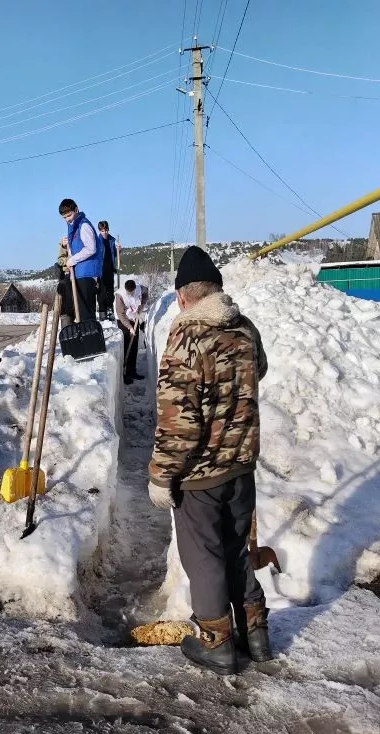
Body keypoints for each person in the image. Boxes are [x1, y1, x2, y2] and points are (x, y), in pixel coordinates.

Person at [147, 246, 271, 675]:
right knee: (236, 549)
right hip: (242, 465)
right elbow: (262, 368)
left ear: (183, 296)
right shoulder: (245, 329)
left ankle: (216, 644)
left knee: (205, 558)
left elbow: (178, 419)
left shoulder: (187, 336)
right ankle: (256, 635)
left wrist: (162, 476)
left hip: (201, 475)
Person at [58, 198, 101, 321]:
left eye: (69, 215)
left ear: (76, 210)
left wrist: (72, 260)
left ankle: (91, 339)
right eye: (64, 217)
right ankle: (87, 337)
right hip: (80, 273)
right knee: (82, 314)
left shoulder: (84, 225)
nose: (68, 219)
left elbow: (91, 248)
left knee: (86, 314)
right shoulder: (74, 227)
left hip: (87, 273)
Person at [115, 279, 145, 384]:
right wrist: (129, 327)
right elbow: (121, 314)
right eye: (129, 293)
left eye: (132, 292)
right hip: (123, 321)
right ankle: (125, 372)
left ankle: (132, 371)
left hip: (134, 318)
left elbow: (146, 292)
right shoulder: (120, 295)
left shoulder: (139, 288)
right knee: (127, 344)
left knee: (134, 345)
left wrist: (141, 307)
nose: (131, 294)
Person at [97, 221, 120, 320]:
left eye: (106, 230)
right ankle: (102, 311)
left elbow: (114, 254)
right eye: (102, 230)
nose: (104, 232)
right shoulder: (97, 241)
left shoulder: (111, 240)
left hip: (110, 269)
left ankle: (110, 309)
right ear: (100, 231)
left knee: (110, 291)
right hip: (100, 270)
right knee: (101, 291)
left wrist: (118, 250)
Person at [55, 237, 75, 328]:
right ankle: (66, 318)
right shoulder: (65, 241)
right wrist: (68, 262)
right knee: (64, 288)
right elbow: (61, 260)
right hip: (68, 273)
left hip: (79, 272)